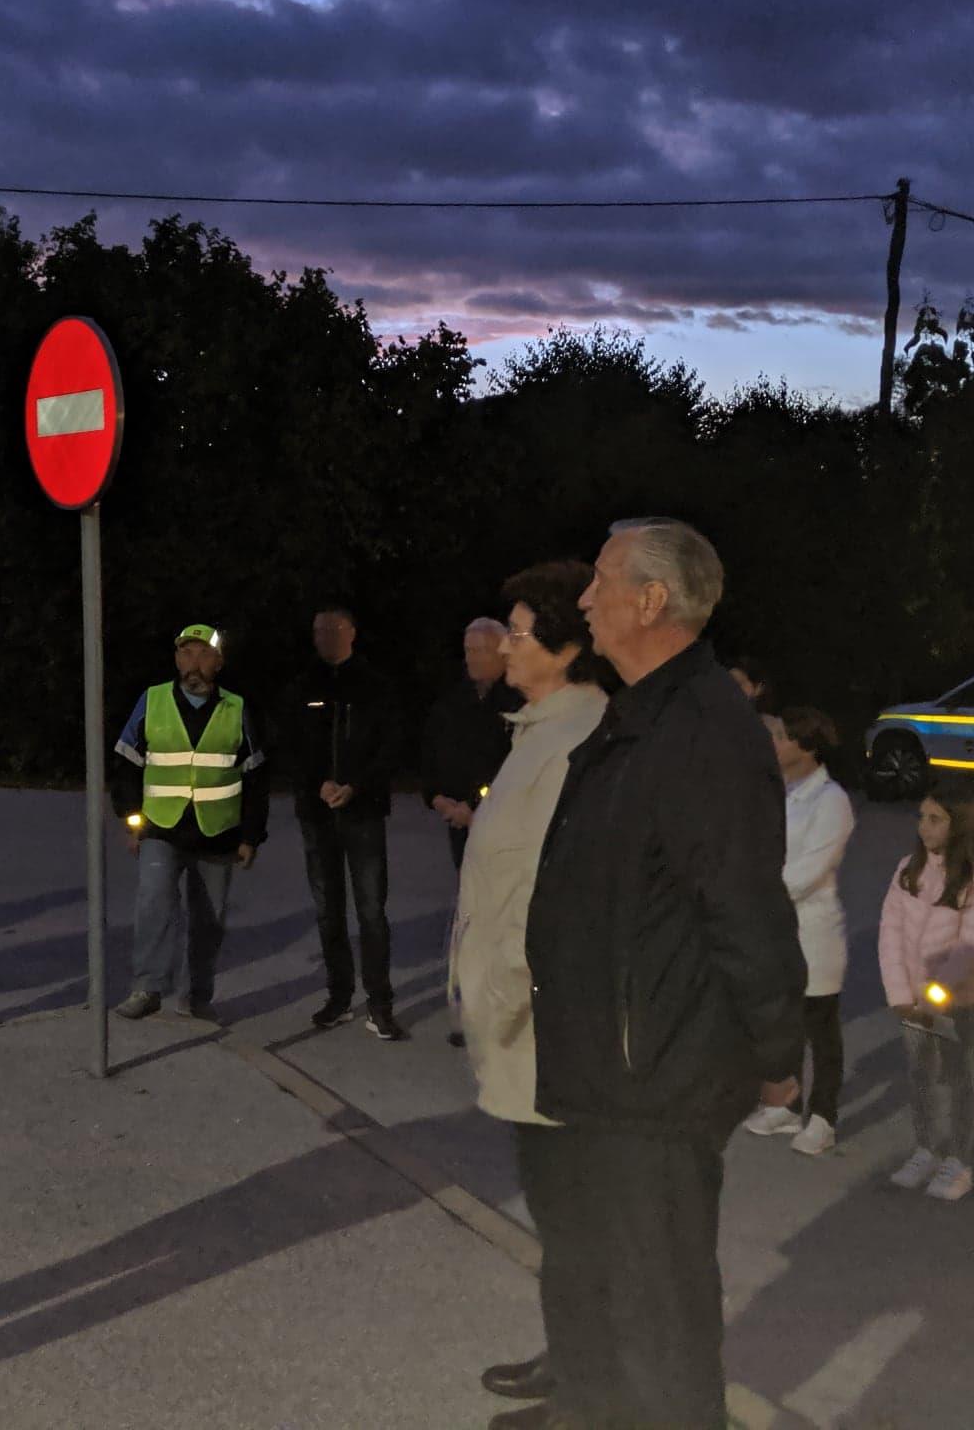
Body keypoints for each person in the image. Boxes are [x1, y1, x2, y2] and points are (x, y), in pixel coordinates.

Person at [523, 518, 805, 1429]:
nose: (583, 599)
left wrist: (776, 1050)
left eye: (601, 580)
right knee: (600, 1283)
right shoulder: (641, 712)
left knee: (659, 1316)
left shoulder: (705, 731)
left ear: (652, 601)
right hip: (604, 1065)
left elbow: (746, 908)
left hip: (656, 1074)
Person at [448, 564, 608, 1426]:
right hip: (521, 1016)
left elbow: (557, 895)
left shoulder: (579, 737)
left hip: (546, 1024)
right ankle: (569, 1362)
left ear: (567, 648)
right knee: (559, 1210)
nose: (504, 647)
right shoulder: (539, 731)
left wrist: (508, 994)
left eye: (517, 633)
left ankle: (585, 1391)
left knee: (574, 1212)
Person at [109, 623, 269, 1023]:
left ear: (219, 662)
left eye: (202, 654)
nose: (193, 663)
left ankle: (197, 997)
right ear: (176, 660)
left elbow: (255, 776)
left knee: (209, 920)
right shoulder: (152, 700)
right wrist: (131, 819)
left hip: (218, 833)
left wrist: (251, 836)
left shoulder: (237, 708)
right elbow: (126, 763)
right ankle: (147, 987)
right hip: (161, 827)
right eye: (185, 653)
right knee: (153, 902)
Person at [283, 604, 405, 1040]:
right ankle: (338, 996)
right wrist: (317, 784)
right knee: (328, 910)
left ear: (352, 632)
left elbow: (390, 746)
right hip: (318, 815)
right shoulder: (302, 686)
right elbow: (291, 746)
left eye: (333, 629)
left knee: (371, 911)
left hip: (363, 813)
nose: (325, 637)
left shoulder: (375, 686)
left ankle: (380, 1004)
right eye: (319, 630)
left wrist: (356, 786)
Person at [744, 708, 856, 1157]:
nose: (773, 743)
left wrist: (757, 893)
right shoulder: (781, 793)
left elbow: (811, 869)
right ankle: (786, 1107)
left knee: (820, 1028)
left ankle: (824, 1116)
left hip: (813, 932)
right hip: (775, 929)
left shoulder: (832, 800)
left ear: (807, 747)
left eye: (782, 736)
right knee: (783, 1022)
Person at [880, 783, 974, 1202]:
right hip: (912, 1002)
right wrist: (900, 992)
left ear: (958, 825)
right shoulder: (908, 870)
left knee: (958, 1078)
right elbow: (891, 932)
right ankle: (926, 1148)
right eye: (922, 817)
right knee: (920, 1076)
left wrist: (935, 994)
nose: (924, 826)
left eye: (935, 819)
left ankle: (959, 1160)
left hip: (955, 1002)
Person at [420, 617, 521, 871]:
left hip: (503, 822)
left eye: (479, 651)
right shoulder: (454, 699)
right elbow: (432, 747)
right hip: (457, 819)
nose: (471, 659)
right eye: (468, 650)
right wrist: (436, 796)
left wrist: (474, 803)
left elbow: (511, 763)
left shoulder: (518, 701)